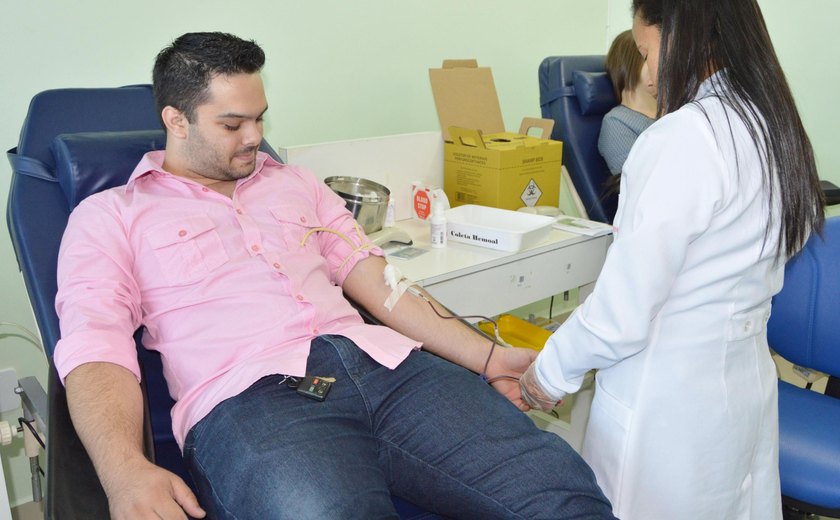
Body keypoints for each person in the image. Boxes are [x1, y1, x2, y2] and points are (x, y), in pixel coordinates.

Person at [54, 32, 617, 520]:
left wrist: (491, 358)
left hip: (388, 368)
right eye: (232, 123)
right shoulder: (111, 216)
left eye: (259, 118)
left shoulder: (296, 183)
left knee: (558, 488)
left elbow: (381, 283)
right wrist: (124, 472)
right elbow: (96, 347)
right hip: (250, 400)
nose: (254, 137)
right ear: (174, 120)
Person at [519, 1, 825, 519]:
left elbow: (621, 316)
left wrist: (542, 378)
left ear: (686, 35)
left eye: (646, 50)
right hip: (743, 385)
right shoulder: (774, 127)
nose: (648, 72)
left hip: (667, 407)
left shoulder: (681, 139)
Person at [597, 29, 657, 176]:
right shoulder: (616, 123)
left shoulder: (677, 110)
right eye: (650, 58)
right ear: (628, 66)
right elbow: (640, 183)